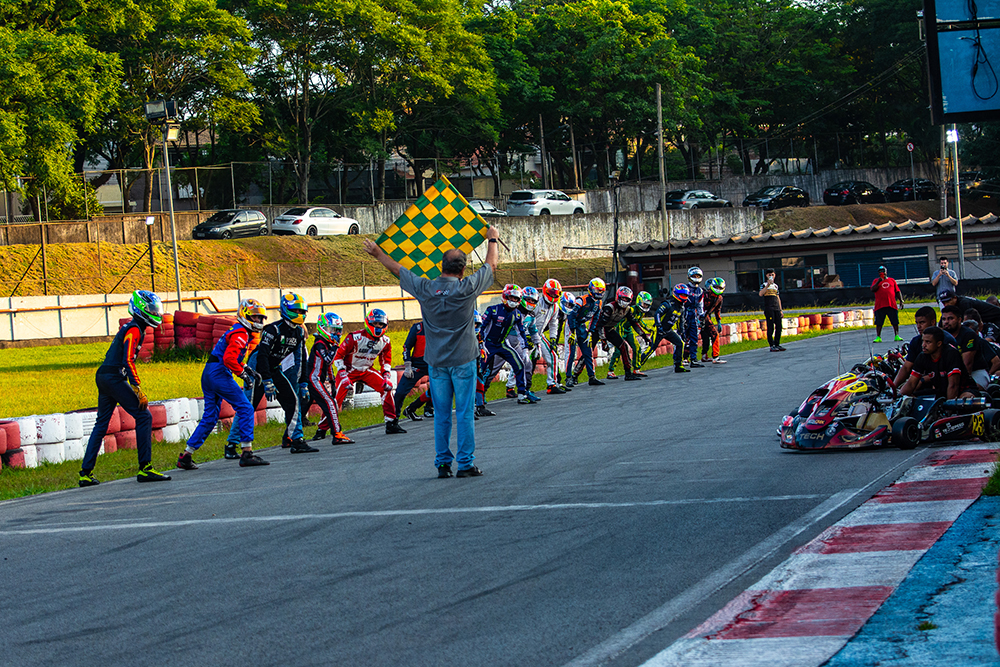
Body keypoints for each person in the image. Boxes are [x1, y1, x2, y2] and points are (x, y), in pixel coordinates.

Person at [363, 226, 499, 479]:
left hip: (436, 363)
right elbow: (491, 266)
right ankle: (465, 463)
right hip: (464, 360)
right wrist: (492, 239)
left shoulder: (426, 288)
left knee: (442, 415)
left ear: (441, 267)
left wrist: (377, 253)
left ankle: (442, 464)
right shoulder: (467, 287)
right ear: (462, 270)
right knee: (465, 413)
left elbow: (398, 270)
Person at [79, 290, 172, 486]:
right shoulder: (134, 329)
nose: (156, 314)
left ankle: (85, 473)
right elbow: (127, 360)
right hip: (113, 376)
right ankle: (145, 468)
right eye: (152, 310)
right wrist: (137, 388)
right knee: (144, 415)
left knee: (101, 424)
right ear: (141, 309)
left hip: (104, 375)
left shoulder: (134, 327)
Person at [179, 299, 270, 468]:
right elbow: (229, 359)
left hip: (209, 372)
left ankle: (186, 454)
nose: (259, 321)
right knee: (245, 408)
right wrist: (243, 375)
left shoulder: (238, 331)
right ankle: (247, 452)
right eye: (256, 317)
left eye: (261, 318)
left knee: (210, 417)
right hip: (219, 373)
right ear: (246, 316)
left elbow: (229, 356)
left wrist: (248, 369)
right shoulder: (241, 333)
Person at [233, 292, 318, 454]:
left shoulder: (299, 332)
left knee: (293, 401)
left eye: (302, 312)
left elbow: (300, 359)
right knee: (248, 405)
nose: (300, 314)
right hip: (256, 367)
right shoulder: (273, 329)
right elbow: (262, 355)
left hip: (274, 368)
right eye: (296, 311)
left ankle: (297, 440)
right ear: (286, 310)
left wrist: (303, 382)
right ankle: (232, 443)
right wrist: (266, 380)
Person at [334, 308, 405, 435]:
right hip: (349, 370)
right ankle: (323, 428)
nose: (378, 327)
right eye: (375, 324)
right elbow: (338, 356)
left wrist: (387, 376)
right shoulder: (354, 337)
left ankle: (391, 423)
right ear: (368, 323)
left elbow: (386, 361)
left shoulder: (386, 341)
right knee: (336, 398)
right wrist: (342, 373)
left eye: (381, 324)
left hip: (367, 370)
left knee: (387, 388)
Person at [481, 285, 538, 405]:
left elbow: (521, 332)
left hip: (503, 344)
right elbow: (481, 327)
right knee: (486, 370)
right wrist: (480, 344)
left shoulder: (517, 314)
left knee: (519, 363)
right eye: (511, 298)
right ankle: (480, 395)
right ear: (505, 297)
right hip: (488, 345)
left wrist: (525, 348)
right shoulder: (493, 310)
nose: (513, 301)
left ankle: (522, 393)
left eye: (516, 299)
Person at [307, 313, 354, 444]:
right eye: (332, 330)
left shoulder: (326, 343)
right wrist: (335, 348)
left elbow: (327, 365)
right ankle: (337, 433)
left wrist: (332, 382)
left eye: (338, 330)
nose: (336, 333)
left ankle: (289, 437)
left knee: (302, 408)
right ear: (322, 328)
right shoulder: (320, 344)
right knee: (330, 403)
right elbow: (328, 359)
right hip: (313, 379)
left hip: (317, 380)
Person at [590, 286, 650, 381]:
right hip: (597, 330)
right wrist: (603, 340)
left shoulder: (627, 309)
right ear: (618, 297)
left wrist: (644, 336)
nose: (625, 300)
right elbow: (600, 325)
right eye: (623, 298)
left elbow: (634, 323)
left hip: (609, 329)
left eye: (627, 299)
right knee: (588, 351)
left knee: (623, 347)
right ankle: (575, 376)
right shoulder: (609, 308)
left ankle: (628, 373)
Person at [899, 326, 976, 399]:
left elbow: (953, 385)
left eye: (928, 342)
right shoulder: (923, 356)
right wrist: (898, 399)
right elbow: (911, 383)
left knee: (965, 398)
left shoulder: (951, 354)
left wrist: (948, 409)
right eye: (923, 341)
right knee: (913, 398)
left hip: (963, 390)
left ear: (939, 343)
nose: (923, 345)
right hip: (941, 391)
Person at [892, 306, 958, 387]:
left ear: (933, 322)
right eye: (917, 323)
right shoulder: (916, 341)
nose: (918, 326)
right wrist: (893, 387)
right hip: (921, 382)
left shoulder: (947, 340)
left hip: (944, 382)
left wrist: (922, 380)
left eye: (922, 322)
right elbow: (906, 368)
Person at [940, 304, 1000, 388]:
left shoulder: (968, 335)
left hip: (975, 372)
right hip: (949, 373)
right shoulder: (941, 336)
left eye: (950, 318)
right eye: (944, 319)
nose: (946, 322)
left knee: (969, 389)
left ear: (959, 320)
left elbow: (967, 364)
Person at [643, 284, 691, 373]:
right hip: (659, 329)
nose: (684, 297)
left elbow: (681, 322)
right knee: (652, 348)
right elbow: (657, 314)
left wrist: (682, 333)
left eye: (685, 295)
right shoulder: (667, 304)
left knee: (680, 343)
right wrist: (659, 326)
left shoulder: (682, 308)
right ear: (676, 294)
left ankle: (678, 365)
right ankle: (636, 368)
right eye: (682, 295)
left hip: (668, 330)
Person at [567, 278, 606, 387]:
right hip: (571, 325)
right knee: (571, 352)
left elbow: (596, 317)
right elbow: (571, 315)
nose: (600, 293)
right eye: (598, 291)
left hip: (583, 326)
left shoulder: (599, 303)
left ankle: (592, 377)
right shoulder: (581, 300)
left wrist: (590, 332)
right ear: (591, 289)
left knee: (588, 351)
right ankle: (569, 377)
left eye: (601, 291)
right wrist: (573, 331)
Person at [395, 320, 434, 422]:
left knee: (440, 388)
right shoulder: (418, 328)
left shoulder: (442, 327)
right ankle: (393, 420)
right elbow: (406, 346)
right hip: (417, 365)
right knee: (400, 392)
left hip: (435, 365)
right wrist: (407, 364)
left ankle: (421, 408)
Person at [607, 291, 653, 378]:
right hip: (620, 328)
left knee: (637, 347)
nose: (645, 306)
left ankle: (636, 369)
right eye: (644, 304)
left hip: (629, 330)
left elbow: (638, 321)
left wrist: (647, 329)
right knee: (619, 350)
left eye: (647, 305)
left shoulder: (641, 312)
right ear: (639, 301)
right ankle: (610, 371)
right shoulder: (631, 309)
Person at [534, 278, 568, 394]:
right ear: (545, 291)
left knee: (553, 355)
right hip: (526, 335)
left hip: (540, 334)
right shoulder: (536, 302)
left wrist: (553, 338)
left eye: (556, 293)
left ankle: (552, 384)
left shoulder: (555, 307)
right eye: (552, 293)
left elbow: (554, 323)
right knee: (523, 361)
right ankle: (511, 386)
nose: (554, 296)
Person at [871, 265, 905, 342]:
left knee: (895, 321)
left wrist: (901, 301)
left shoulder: (892, 280)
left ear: (886, 272)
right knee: (879, 322)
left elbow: (897, 291)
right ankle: (878, 336)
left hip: (891, 304)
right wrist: (880, 281)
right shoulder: (876, 281)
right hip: (880, 305)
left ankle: (897, 335)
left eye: (883, 271)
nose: (882, 273)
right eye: (880, 272)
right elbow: (873, 289)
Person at [682, 267, 705, 367]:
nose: (696, 278)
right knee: (683, 338)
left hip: (694, 316)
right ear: (689, 277)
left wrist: (702, 316)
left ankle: (694, 359)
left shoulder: (700, 291)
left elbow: (700, 305)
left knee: (694, 338)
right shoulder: (684, 289)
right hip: (684, 314)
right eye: (694, 276)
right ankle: (681, 359)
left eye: (698, 276)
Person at [701, 277, 726, 364]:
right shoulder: (704, 294)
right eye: (716, 287)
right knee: (694, 336)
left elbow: (717, 310)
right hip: (698, 315)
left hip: (707, 316)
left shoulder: (719, 298)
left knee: (710, 335)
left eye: (720, 288)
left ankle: (711, 356)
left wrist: (719, 321)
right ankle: (686, 358)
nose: (718, 289)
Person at [759, 268, 785, 351]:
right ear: (766, 276)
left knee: (779, 326)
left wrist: (780, 310)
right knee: (770, 327)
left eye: (772, 275)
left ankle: (777, 343)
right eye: (769, 275)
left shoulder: (776, 286)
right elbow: (760, 294)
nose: (771, 276)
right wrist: (767, 285)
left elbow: (778, 297)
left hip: (776, 308)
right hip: (769, 308)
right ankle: (771, 345)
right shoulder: (764, 285)